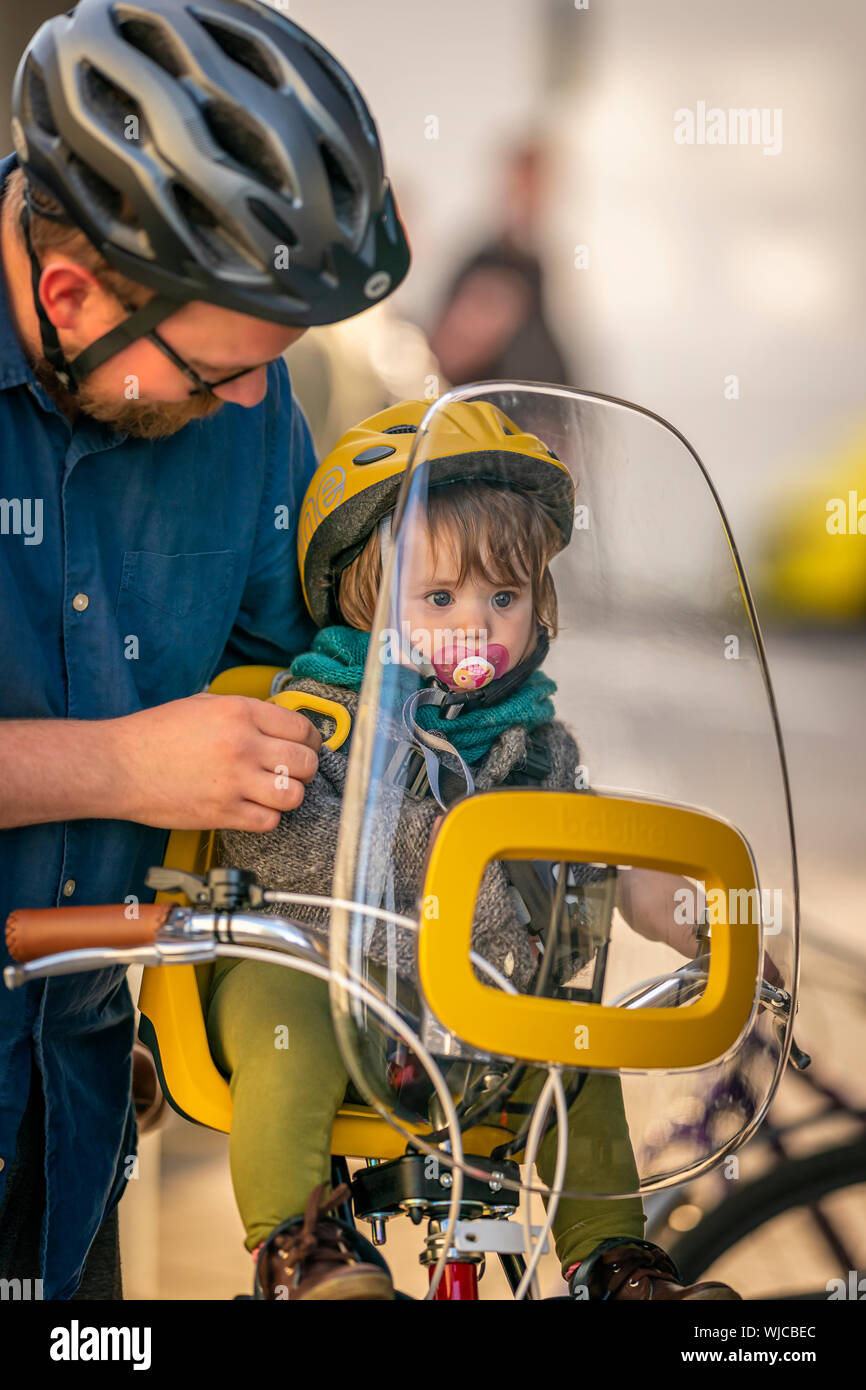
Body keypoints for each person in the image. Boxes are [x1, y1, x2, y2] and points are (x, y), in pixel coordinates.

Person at [0, 0, 409, 1300]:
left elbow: (312, 680)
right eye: (221, 371)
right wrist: (122, 764)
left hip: (77, 1107)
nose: (252, 405)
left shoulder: (242, 393)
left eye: (273, 366)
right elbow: (143, 761)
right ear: (67, 293)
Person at [209, 398, 740, 1300]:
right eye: (441, 596)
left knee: (577, 1044)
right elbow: (271, 853)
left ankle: (616, 1260)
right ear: (369, 598)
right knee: (281, 1015)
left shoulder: (532, 744)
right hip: (333, 978)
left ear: (541, 606)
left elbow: (585, 854)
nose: (479, 623)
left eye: (505, 596)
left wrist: (684, 911)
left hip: (479, 1011)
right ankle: (301, 1247)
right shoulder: (318, 716)